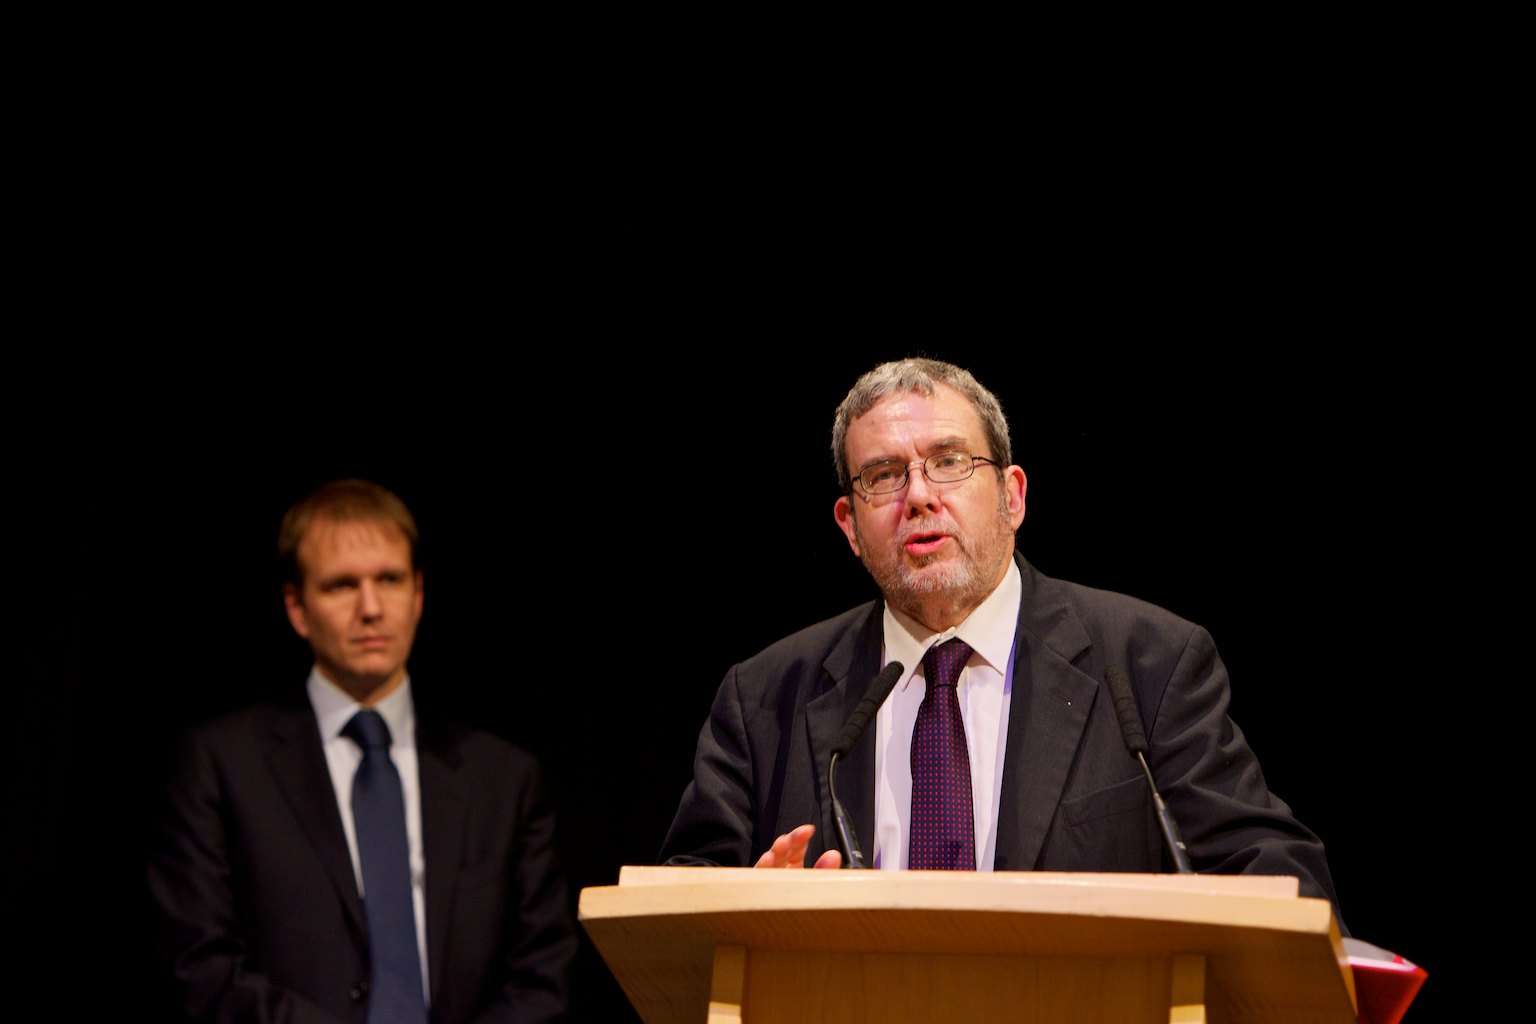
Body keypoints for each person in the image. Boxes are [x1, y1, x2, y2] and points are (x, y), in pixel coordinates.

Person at [658, 357, 1347, 930]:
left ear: (1012, 496)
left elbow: (1279, 882)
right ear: (849, 524)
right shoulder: (767, 695)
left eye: (949, 462)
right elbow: (675, 916)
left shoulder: (1148, 664)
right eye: (882, 477)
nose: (919, 496)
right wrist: (742, 908)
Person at [147, 478, 578, 1023]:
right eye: (341, 586)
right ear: (297, 607)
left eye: (390, 579)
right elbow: (199, 967)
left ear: (418, 594)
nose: (371, 608)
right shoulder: (220, 765)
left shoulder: (503, 778)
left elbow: (544, 975)